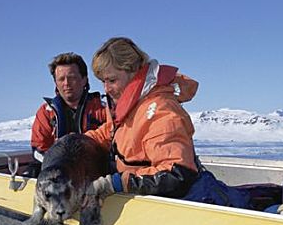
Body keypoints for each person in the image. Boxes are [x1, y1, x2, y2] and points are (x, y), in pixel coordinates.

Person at [85, 37, 200, 199]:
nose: (106, 88)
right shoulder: (128, 107)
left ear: (134, 72)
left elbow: (177, 173)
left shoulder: (161, 110)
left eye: (112, 80)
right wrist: (74, 144)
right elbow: (109, 133)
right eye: (103, 81)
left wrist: (119, 183)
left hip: (172, 207)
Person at [25, 52, 107, 177]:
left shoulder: (104, 109)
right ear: (56, 83)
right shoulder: (46, 113)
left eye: (72, 77)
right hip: (58, 176)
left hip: (97, 174)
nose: (66, 83)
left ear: (84, 79)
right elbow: (39, 150)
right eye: (61, 79)